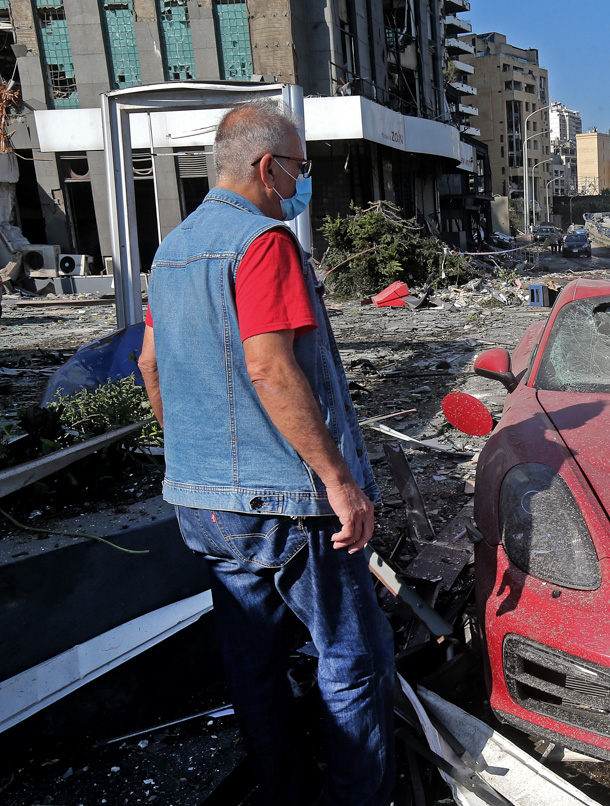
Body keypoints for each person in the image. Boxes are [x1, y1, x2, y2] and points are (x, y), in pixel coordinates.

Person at [137, 100, 395, 805]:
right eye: (301, 168)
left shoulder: (170, 251)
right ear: (267, 167)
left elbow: (152, 366)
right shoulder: (264, 244)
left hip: (201, 503)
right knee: (352, 660)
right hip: (287, 503)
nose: (301, 181)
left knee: (252, 664)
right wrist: (338, 482)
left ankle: (282, 792)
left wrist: (194, 456)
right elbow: (271, 369)